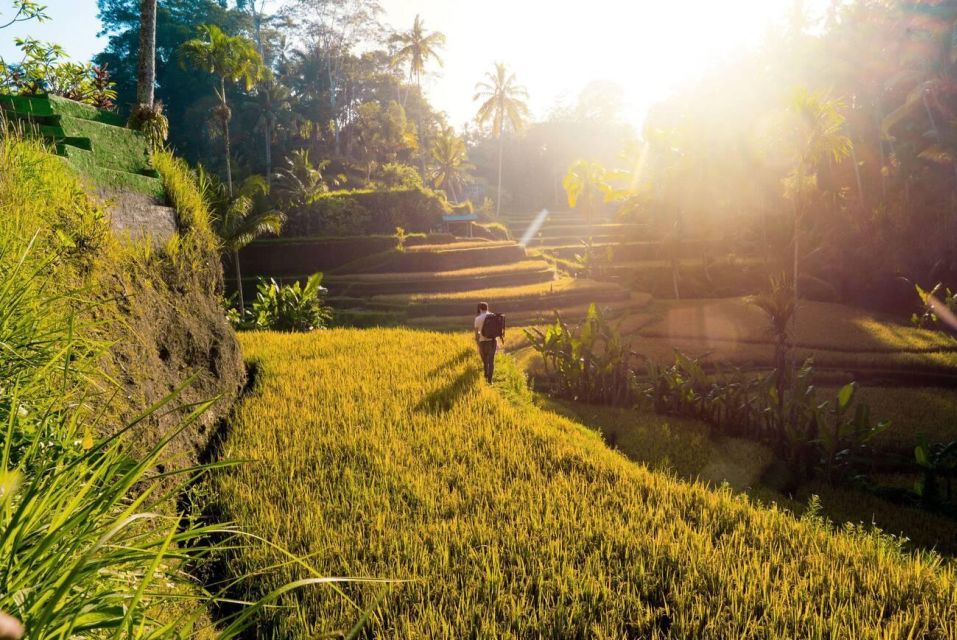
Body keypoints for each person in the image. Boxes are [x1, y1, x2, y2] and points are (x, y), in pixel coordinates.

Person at [474, 302, 500, 383]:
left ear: (480, 309)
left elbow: (476, 333)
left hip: (482, 342)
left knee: (484, 360)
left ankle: (486, 374)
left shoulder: (478, 319)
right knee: (491, 361)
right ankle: (490, 380)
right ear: (487, 308)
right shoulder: (493, 316)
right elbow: (497, 330)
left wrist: (477, 344)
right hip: (492, 341)